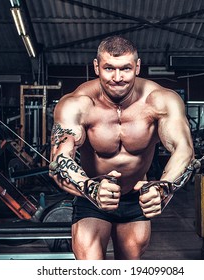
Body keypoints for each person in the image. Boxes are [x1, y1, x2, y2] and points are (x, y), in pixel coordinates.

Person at [49, 35, 194, 260]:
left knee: (129, 265)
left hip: (136, 197)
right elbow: (59, 161)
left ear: (137, 66)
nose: (117, 78)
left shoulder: (161, 100)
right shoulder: (77, 104)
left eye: (125, 68)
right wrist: (90, 188)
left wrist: (164, 188)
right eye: (109, 68)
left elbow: (184, 150)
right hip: (92, 196)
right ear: (97, 67)